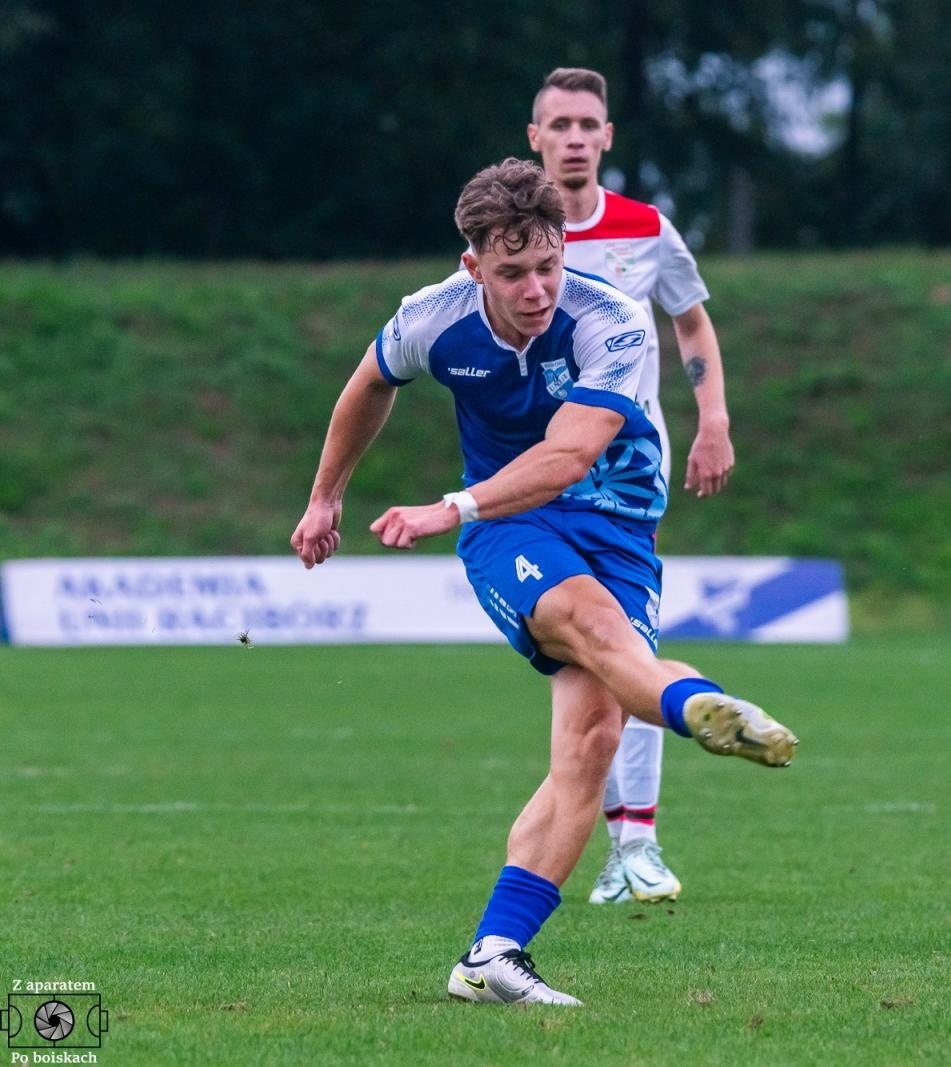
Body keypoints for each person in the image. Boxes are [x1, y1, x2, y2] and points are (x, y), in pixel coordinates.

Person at [289, 158, 796, 1007]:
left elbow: (568, 456)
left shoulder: (613, 318)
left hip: (618, 526)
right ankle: (694, 707)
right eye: (514, 271)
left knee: (590, 744)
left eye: (550, 265)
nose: (536, 289)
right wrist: (324, 497)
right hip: (510, 526)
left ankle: (493, 955)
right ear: (473, 267)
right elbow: (370, 382)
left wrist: (446, 505)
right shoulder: (432, 318)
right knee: (593, 625)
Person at [528, 67, 735, 906]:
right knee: (591, 671)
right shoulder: (511, 237)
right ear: (534, 138)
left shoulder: (646, 229)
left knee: (627, 652)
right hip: (540, 470)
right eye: (560, 124)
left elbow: (689, 317)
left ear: (607, 137)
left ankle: (636, 844)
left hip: (622, 473)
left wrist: (712, 418)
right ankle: (615, 844)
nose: (576, 137)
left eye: (589, 124)